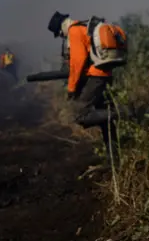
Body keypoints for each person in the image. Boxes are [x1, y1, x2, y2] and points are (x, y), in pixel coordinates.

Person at [47, 11, 126, 166]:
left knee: (81, 115)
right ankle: (113, 159)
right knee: (105, 118)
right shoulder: (83, 27)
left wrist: (71, 89)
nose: (61, 37)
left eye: (59, 34)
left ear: (60, 27)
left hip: (96, 77)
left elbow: (78, 63)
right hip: (103, 74)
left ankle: (123, 112)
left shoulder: (74, 31)